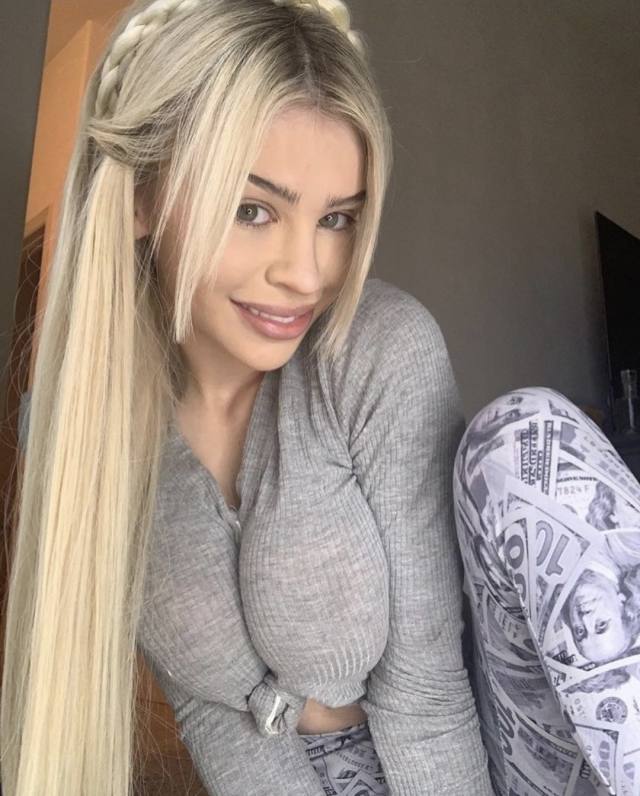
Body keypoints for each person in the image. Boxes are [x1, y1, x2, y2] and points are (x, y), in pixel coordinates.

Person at [1, 1, 493, 794]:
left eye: (336, 218)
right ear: (141, 197)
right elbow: (210, 715)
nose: (306, 273)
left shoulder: (379, 353)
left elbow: (428, 696)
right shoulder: (77, 436)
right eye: (253, 209)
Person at [454, 386, 640, 796]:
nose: (584, 620)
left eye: (582, 633)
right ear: (624, 605)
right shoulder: (623, 548)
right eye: (601, 625)